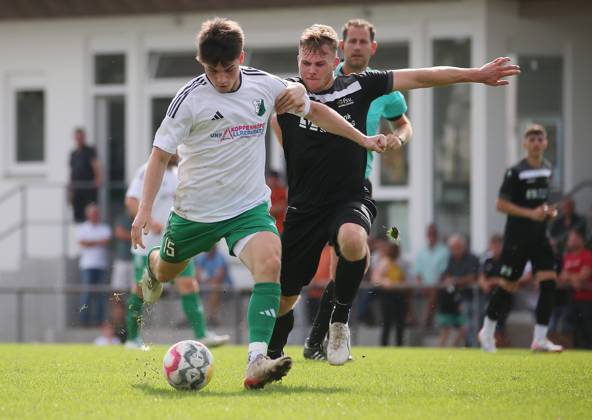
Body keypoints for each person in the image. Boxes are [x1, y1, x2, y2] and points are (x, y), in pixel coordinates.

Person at [130, 18, 387, 390]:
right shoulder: (188, 101)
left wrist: (360, 138)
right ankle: (154, 267)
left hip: (247, 210)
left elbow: (314, 110)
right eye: (212, 70)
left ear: (241, 58)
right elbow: (158, 156)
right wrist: (143, 210)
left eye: (228, 68)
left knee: (270, 263)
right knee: (168, 271)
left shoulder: (264, 85)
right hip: (195, 213)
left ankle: (256, 360)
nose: (220, 78)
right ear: (202, 64)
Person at [267, 22, 519, 365]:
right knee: (285, 297)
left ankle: (339, 322)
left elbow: (421, 76)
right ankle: (271, 356)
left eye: (320, 64)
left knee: (354, 241)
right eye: (306, 63)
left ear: (335, 58)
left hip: (350, 194)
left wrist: (475, 74)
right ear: (298, 60)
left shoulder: (360, 84)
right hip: (304, 205)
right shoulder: (286, 92)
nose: (312, 71)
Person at [302, 19, 413, 360]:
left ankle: (319, 339)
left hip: (355, 185)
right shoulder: (323, 78)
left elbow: (403, 124)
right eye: (352, 41)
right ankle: (315, 339)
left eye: (364, 42)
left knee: (354, 261)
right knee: (340, 264)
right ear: (342, 46)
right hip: (315, 187)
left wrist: (399, 138)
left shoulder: (382, 89)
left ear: (372, 47)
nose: (358, 47)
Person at [125, 156, 230, 350]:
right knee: (140, 291)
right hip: (146, 246)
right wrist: (147, 218)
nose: (178, 153)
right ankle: (132, 338)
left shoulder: (180, 173)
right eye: (175, 148)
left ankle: (202, 334)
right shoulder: (148, 169)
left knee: (189, 285)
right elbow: (131, 201)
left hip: (176, 244)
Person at [479, 124, 563, 353]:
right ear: (525, 144)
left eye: (540, 139)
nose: (536, 143)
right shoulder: (515, 171)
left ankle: (540, 339)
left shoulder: (547, 169)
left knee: (549, 281)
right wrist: (530, 213)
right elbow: (500, 204)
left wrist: (549, 212)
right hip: (517, 237)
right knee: (508, 286)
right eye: (532, 139)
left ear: (545, 143)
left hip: (540, 235)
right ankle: (487, 331)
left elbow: (545, 203)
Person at [443, 234, 479, 347]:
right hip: (455, 298)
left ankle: (473, 347)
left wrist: (455, 280)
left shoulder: (472, 258)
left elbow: (472, 277)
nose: (455, 251)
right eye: (453, 248)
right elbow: (447, 275)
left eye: (457, 247)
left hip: (471, 297)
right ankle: (466, 346)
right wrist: (449, 280)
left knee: (470, 325)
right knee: (459, 325)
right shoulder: (451, 259)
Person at [77, 203, 111, 326]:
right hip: (87, 266)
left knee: (101, 296)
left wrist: (90, 242)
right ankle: (84, 321)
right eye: (92, 214)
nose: (94, 216)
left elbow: (106, 241)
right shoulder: (83, 228)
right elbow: (82, 243)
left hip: (101, 266)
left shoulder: (104, 228)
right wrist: (98, 242)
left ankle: (99, 321)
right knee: (86, 295)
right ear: (88, 215)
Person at [560, 229, 592, 349]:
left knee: (588, 328)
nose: (572, 241)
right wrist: (574, 279)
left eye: (574, 238)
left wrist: (570, 277)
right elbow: (563, 277)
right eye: (570, 239)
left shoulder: (587, 255)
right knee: (573, 328)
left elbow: (584, 275)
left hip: (587, 299)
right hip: (573, 297)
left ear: (581, 240)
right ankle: (577, 349)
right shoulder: (567, 257)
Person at [371, 243, 407, 346]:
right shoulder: (385, 262)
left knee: (400, 322)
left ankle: (399, 345)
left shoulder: (398, 263)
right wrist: (385, 281)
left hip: (398, 294)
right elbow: (375, 278)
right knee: (387, 322)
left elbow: (402, 278)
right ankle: (384, 345)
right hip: (387, 295)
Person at [479, 234, 511, 347]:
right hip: (489, 297)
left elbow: (507, 279)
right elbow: (482, 277)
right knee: (488, 323)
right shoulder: (487, 260)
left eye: (497, 245)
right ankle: (489, 344)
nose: (495, 248)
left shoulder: (506, 260)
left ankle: (502, 347)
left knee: (500, 327)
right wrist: (485, 284)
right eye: (493, 245)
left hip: (504, 298)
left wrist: (493, 281)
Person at [415, 223, 450, 327]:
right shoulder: (421, 252)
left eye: (433, 234)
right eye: (429, 234)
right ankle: (415, 319)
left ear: (436, 235)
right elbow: (418, 272)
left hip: (438, 286)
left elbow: (444, 271)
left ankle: (426, 321)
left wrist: (433, 285)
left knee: (434, 292)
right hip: (424, 286)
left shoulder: (444, 251)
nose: (431, 236)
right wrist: (422, 285)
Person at [195, 244, 233, 327]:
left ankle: (212, 317)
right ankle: (192, 317)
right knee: (189, 286)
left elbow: (218, 278)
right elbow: (197, 277)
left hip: (225, 288)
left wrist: (206, 281)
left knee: (215, 286)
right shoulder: (201, 258)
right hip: (206, 286)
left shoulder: (220, 258)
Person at [69, 128, 102, 223]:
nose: (79, 139)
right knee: (78, 216)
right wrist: (70, 190)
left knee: (90, 213)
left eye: (81, 137)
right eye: (77, 137)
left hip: (88, 188)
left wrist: (98, 179)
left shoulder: (90, 151)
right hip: (77, 189)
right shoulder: (73, 154)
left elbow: (96, 165)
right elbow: (72, 172)